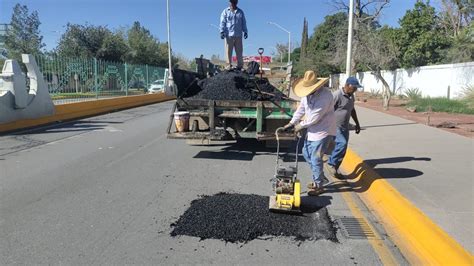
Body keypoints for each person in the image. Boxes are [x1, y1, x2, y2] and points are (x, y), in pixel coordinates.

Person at [283, 70, 336, 196]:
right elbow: (301, 110)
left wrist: (298, 126)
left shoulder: (325, 96)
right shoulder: (307, 95)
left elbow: (314, 118)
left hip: (324, 130)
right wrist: (291, 123)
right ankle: (321, 177)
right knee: (306, 153)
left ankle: (318, 185)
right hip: (312, 130)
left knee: (316, 158)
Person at [325, 77, 362, 179]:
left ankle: (335, 169)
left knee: (343, 149)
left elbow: (352, 110)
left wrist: (357, 124)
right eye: (354, 87)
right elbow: (327, 109)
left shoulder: (351, 96)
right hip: (335, 126)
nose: (355, 90)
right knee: (342, 143)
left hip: (344, 126)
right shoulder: (337, 95)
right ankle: (331, 163)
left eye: (356, 88)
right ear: (347, 85)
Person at [219, 0, 248, 70]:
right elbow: (222, 22)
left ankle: (240, 66)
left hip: (238, 35)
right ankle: (228, 65)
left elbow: (243, 22)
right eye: (232, 2)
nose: (233, 3)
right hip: (229, 35)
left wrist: (245, 31)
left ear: (237, 2)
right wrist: (221, 31)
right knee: (228, 52)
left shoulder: (240, 12)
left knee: (239, 52)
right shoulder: (225, 12)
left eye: (235, 1)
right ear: (230, 2)